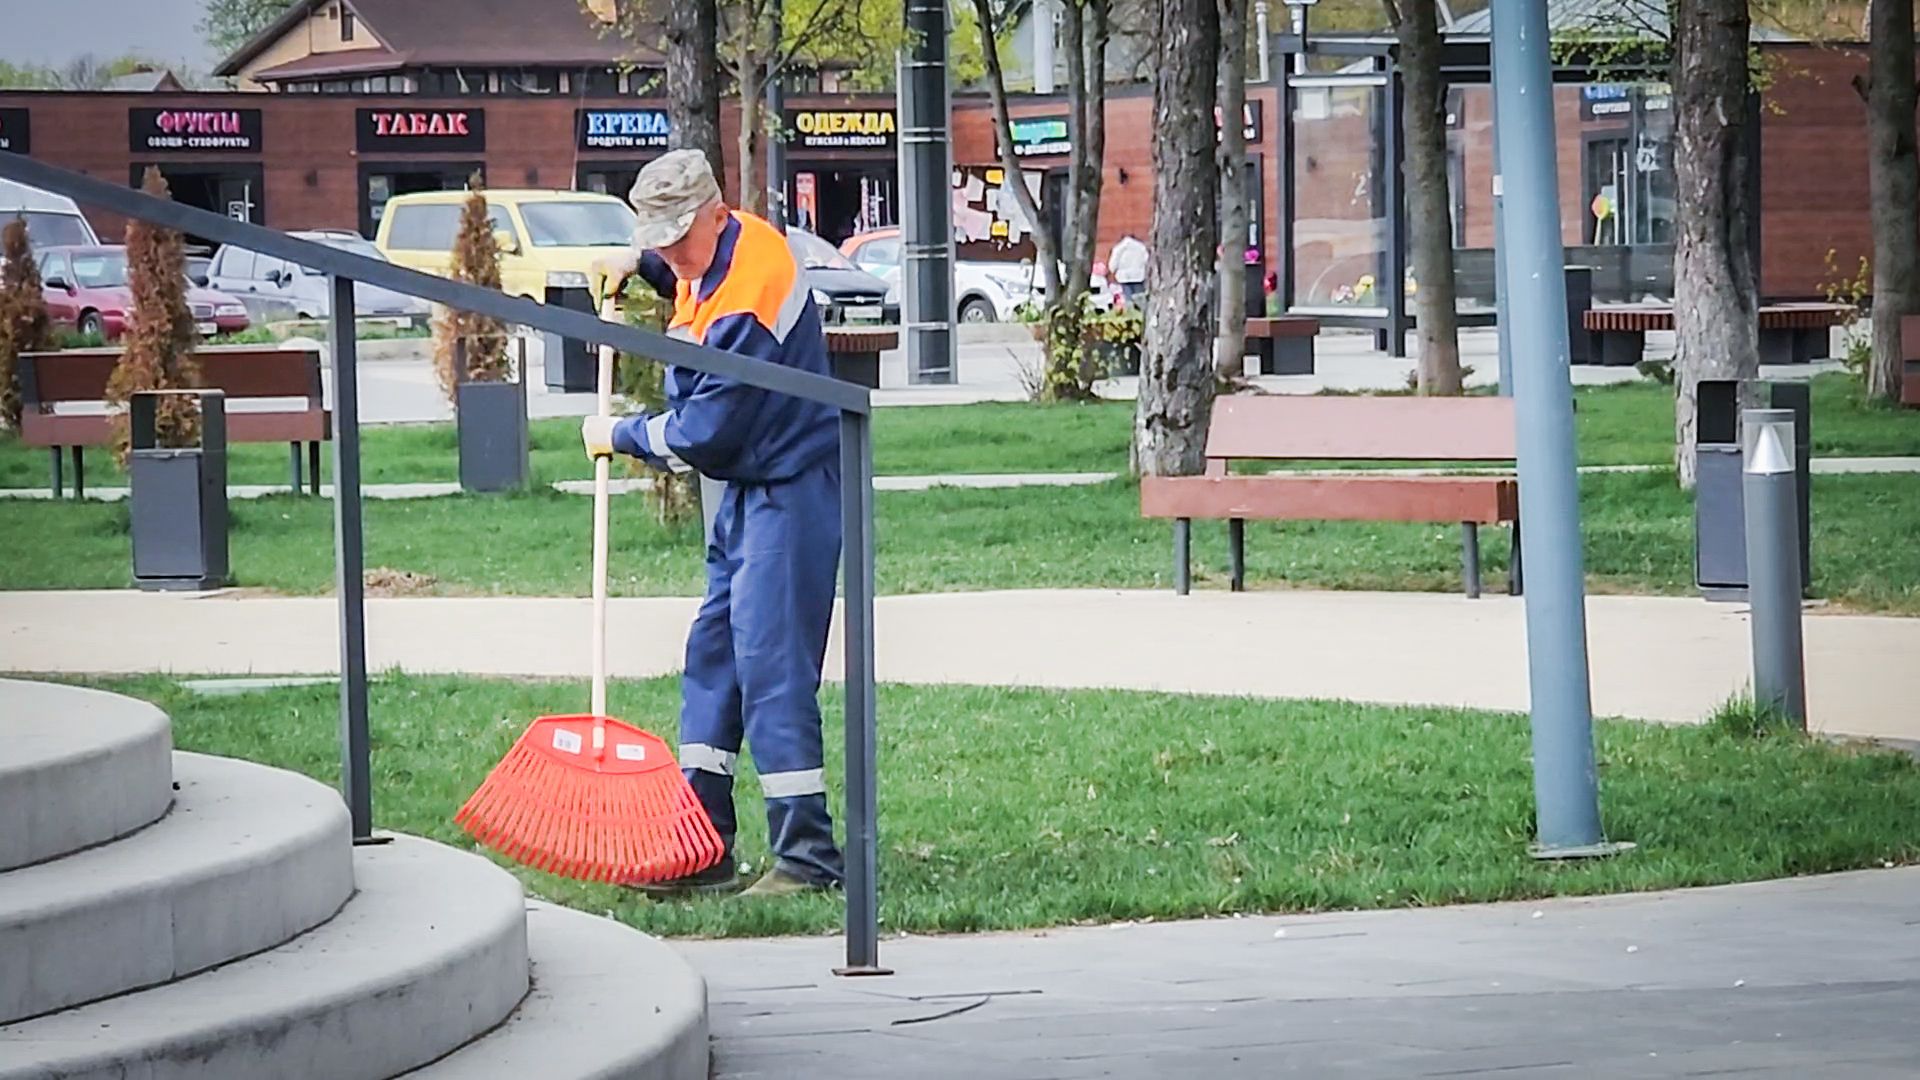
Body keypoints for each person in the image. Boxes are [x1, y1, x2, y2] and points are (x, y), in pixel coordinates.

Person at [582, 149, 844, 899]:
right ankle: (700, 843)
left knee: (769, 668)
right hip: (749, 493)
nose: (670, 252)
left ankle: (806, 858)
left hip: (789, 489)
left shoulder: (747, 295)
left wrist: (621, 436)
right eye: (655, 236)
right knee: (715, 661)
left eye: (675, 237)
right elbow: (691, 271)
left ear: (716, 213)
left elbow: (708, 433)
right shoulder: (718, 252)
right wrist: (639, 266)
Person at [1108, 233, 1148, 306]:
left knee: (1128, 299)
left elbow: (1114, 262)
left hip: (1124, 277)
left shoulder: (1118, 248)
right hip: (1139, 276)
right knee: (1140, 297)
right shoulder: (1141, 247)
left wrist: (1112, 270)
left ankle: (1131, 314)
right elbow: (1146, 259)